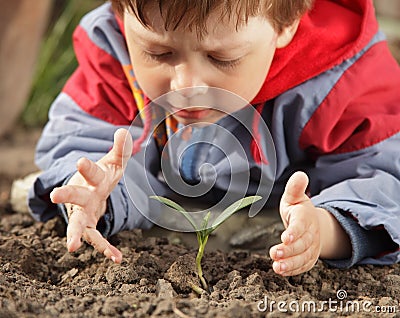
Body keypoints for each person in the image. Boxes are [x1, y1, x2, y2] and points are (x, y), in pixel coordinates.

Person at [29, 0, 400, 277]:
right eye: (159, 53)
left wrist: (322, 228)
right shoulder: (116, 50)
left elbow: (382, 174)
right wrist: (93, 194)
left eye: (222, 58)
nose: (187, 86)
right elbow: (85, 137)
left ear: (285, 24)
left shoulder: (340, 80)